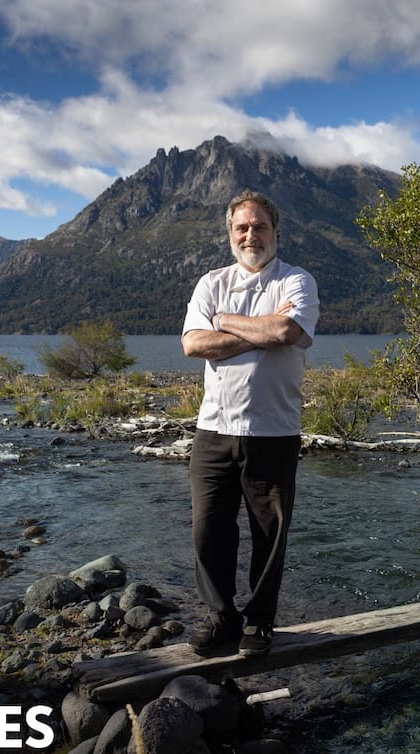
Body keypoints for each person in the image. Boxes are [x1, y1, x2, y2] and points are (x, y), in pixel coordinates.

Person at [180, 190, 320, 657]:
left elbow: (286, 332)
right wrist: (256, 332)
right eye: (242, 227)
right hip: (213, 430)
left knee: (269, 533)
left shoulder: (297, 280)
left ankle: (259, 622)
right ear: (230, 234)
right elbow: (193, 345)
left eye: (259, 226)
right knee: (208, 531)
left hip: (274, 431)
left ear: (276, 232)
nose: (250, 235)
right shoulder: (210, 284)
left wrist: (226, 325)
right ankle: (222, 618)